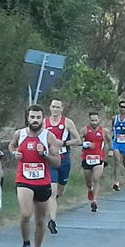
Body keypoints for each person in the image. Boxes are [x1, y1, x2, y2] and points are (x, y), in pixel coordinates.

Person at [8, 105, 60, 247]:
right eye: (32, 117)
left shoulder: (48, 137)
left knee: (39, 220)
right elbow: (11, 146)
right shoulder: (19, 134)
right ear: (28, 118)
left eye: (38, 117)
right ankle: (25, 244)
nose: (35, 120)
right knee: (25, 214)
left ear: (42, 119)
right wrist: (14, 153)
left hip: (42, 182)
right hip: (24, 179)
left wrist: (44, 154)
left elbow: (57, 162)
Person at [43, 99, 80, 234]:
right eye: (53, 107)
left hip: (64, 160)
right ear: (50, 108)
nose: (55, 109)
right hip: (51, 160)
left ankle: (51, 204)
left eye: (58, 107)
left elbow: (78, 140)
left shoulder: (67, 122)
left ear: (62, 109)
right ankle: (52, 221)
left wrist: (63, 143)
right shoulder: (44, 123)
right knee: (51, 192)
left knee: (60, 191)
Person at [80, 111, 112, 212]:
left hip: (99, 158)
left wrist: (111, 150)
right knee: (89, 182)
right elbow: (77, 141)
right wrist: (85, 144)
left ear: (99, 120)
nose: (94, 122)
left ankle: (94, 200)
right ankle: (90, 189)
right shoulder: (85, 130)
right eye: (92, 120)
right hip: (87, 158)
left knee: (96, 178)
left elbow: (109, 140)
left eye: (96, 120)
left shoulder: (104, 131)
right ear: (89, 120)